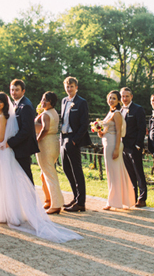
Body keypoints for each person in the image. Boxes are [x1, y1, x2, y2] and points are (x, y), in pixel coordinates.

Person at [0, 92, 82, 243]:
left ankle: (47, 206)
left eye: (0, 101)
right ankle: (48, 202)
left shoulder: (28, 107)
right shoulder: (18, 110)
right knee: (44, 175)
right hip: (4, 149)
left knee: (44, 174)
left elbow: (27, 130)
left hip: (35, 146)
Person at [97, 90, 135, 210]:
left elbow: (118, 132)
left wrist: (116, 149)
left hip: (114, 144)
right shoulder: (110, 112)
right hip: (107, 144)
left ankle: (112, 201)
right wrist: (99, 131)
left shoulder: (117, 113)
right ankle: (118, 199)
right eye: (109, 98)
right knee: (111, 173)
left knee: (114, 174)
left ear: (118, 100)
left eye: (114, 98)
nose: (111, 100)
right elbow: (106, 130)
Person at [60, 76, 92, 212]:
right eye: (67, 86)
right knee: (66, 169)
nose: (69, 89)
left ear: (76, 88)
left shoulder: (81, 102)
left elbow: (84, 124)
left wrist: (75, 140)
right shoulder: (63, 101)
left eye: (72, 86)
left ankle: (81, 203)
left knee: (77, 170)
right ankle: (75, 197)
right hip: (63, 138)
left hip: (73, 138)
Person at [35, 91, 64, 214]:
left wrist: (37, 140)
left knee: (49, 174)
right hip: (53, 142)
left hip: (45, 144)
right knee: (44, 174)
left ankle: (56, 204)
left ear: (51, 102)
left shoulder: (46, 114)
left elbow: (45, 129)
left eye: (46, 100)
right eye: (42, 99)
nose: (43, 102)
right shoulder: (53, 113)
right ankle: (48, 199)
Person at [6, 79, 40, 183]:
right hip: (17, 147)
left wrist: (11, 142)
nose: (14, 92)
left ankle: (31, 198)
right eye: (12, 90)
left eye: (17, 90)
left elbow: (27, 130)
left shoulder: (26, 106)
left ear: (23, 91)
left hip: (23, 147)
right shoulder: (13, 104)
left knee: (25, 177)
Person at [120, 87, 148, 208]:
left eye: (127, 96)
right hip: (123, 146)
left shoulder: (138, 109)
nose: (124, 98)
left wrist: (138, 145)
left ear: (131, 97)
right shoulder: (120, 110)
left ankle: (142, 197)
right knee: (130, 173)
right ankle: (133, 196)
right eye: (122, 96)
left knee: (138, 172)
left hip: (134, 146)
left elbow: (142, 128)